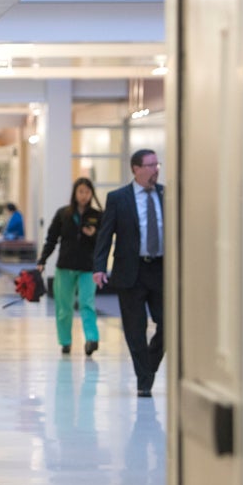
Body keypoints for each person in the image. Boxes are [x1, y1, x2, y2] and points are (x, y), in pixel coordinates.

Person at [93, 149, 164, 398]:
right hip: (130, 271)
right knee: (135, 329)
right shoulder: (118, 198)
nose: (156, 169)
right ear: (136, 168)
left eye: (157, 164)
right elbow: (105, 234)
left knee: (168, 324)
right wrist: (99, 267)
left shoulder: (167, 195)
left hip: (160, 269)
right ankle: (144, 380)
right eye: (151, 165)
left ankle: (147, 369)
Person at [37, 178, 104, 355]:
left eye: (87, 192)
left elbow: (103, 243)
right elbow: (51, 239)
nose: (84, 195)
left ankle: (91, 339)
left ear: (91, 194)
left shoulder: (97, 216)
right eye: (80, 191)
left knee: (87, 303)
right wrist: (42, 260)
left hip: (88, 268)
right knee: (64, 307)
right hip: (65, 267)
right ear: (75, 193)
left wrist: (93, 235)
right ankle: (65, 341)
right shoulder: (63, 214)